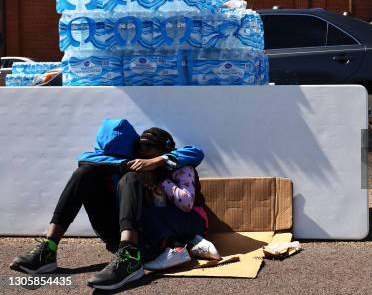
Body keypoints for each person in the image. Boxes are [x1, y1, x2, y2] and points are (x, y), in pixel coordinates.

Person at [10, 119, 204, 291]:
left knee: (131, 178)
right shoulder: (104, 160)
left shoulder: (149, 158)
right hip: (112, 230)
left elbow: (195, 152)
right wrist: (122, 163)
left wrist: (155, 162)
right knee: (82, 174)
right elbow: (85, 159)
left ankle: (130, 257)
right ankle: (49, 247)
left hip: (146, 236)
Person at [138, 127, 221, 271]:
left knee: (146, 215)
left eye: (149, 154)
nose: (145, 159)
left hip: (193, 219)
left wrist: (163, 182)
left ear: (163, 151)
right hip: (176, 222)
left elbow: (187, 203)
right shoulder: (154, 172)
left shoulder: (181, 167)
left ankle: (176, 249)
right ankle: (194, 245)